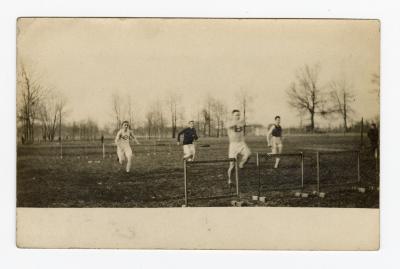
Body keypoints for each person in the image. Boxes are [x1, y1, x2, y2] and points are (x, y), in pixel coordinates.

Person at [227, 109, 251, 185]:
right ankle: (230, 180)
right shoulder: (229, 123)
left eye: (239, 115)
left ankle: (241, 164)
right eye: (236, 115)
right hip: (233, 145)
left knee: (249, 154)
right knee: (232, 165)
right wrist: (238, 122)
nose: (238, 116)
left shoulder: (241, 123)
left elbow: (245, 124)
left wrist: (243, 122)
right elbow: (229, 126)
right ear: (232, 116)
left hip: (241, 143)